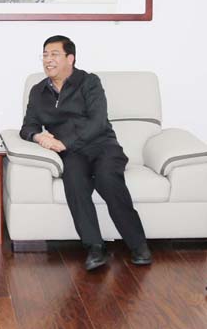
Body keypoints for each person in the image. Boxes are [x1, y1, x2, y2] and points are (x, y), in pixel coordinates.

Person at [20, 35, 152, 271]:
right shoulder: (38, 91)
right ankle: (95, 247)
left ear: (70, 58)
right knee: (74, 180)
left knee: (107, 178)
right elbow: (28, 126)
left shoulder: (89, 82)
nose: (48, 60)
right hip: (72, 154)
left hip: (102, 146)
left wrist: (65, 142)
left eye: (54, 54)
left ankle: (138, 244)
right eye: (45, 55)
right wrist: (39, 137)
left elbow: (98, 121)